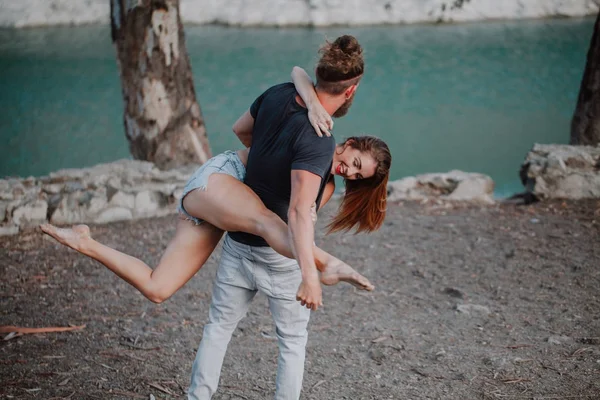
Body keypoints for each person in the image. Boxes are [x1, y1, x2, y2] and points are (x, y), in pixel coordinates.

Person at [187, 35, 391, 400]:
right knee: (292, 342)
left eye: (358, 176)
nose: (350, 172)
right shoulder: (319, 142)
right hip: (277, 257)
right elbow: (297, 213)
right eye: (355, 163)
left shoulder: (280, 93)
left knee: (218, 328)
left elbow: (241, 130)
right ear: (351, 92)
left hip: (240, 241)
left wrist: (269, 155)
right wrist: (310, 278)